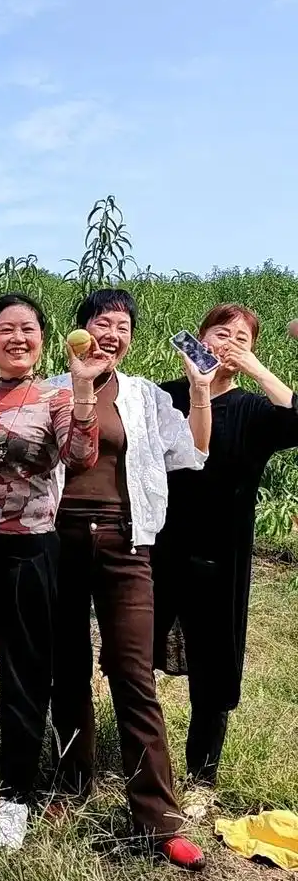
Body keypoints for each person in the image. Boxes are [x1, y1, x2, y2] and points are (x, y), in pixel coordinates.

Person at [49, 288, 215, 871]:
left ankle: (157, 815)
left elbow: (193, 451)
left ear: (131, 337)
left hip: (127, 542)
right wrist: (80, 388)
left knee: (132, 671)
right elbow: (64, 457)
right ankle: (70, 786)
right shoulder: (51, 390)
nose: (111, 334)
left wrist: (199, 389)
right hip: (59, 538)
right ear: (80, 331)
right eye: (101, 322)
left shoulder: (144, 396)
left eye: (121, 325)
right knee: (65, 666)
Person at [0, 293, 108, 850]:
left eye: (27, 329)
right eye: (5, 329)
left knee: (25, 674)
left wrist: (86, 386)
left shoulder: (57, 395)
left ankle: (15, 793)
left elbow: (81, 455)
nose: (16, 338)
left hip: (30, 550)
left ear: (42, 339)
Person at [153, 304, 298, 817]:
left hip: (222, 553)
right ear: (200, 335)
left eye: (242, 338)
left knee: (215, 666)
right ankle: (139, 761)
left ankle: (201, 777)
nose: (229, 343)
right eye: (221, 333)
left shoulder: (256, 411)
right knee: (134, 656)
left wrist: (257, 369)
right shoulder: (166, 396)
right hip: (159, 546)